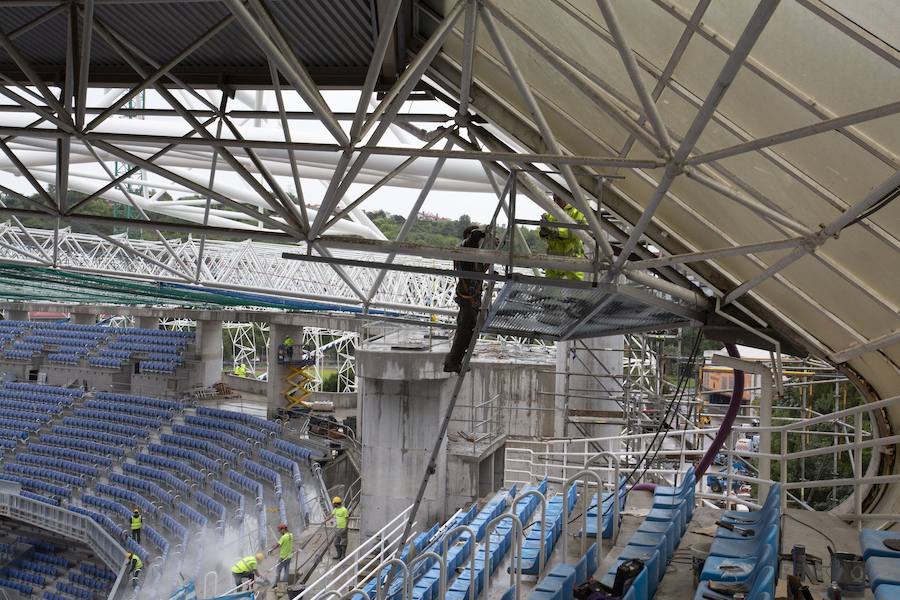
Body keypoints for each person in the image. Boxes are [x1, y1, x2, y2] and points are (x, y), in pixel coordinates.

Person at [443, 225, 489, 373]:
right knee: (465, 331)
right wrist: (484, 232)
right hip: (467, 299)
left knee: (468, 331)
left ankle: (455, 361)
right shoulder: (465, 248)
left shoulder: (473, 256)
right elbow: (474, 236)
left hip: (472, 299)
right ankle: (452, 362)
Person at [539, 195, 587, 280]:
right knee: (550, 291)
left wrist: (556, 232)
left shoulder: (577, 213)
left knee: (576, 290)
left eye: (558, 199)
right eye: (554, 199)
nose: (556, 202)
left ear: (566, 198)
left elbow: (579, 232)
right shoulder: (550, 214)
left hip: (573, 262)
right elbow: (544, 236)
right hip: (553, 262)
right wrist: (543, 232)